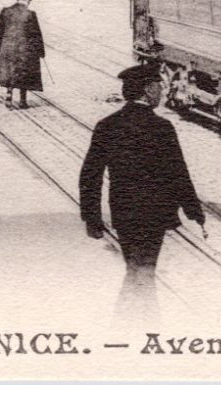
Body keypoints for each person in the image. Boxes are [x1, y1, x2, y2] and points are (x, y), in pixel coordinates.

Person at [79, 62, 206, 323]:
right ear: (147, 90)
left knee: (135, 268)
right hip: (155, 214)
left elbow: (90, 176)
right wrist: (194, 211)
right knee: (143, 270)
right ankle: (143, 329)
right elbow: (178, 174)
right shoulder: (161, 128)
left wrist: (91, 217)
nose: (162, 90)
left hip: (124, 212)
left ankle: (130, 326)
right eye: (159, 86)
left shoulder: (107, 126)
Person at [0, 0, 46, 108]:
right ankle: (23, 100)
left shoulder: (5, 11)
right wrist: (40, 51)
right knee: (24, 72)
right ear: (27, 0)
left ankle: (9, 94)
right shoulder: (31, 14)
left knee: (9, 70)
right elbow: (36, 34)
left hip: (8, 48)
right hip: (25, 49)